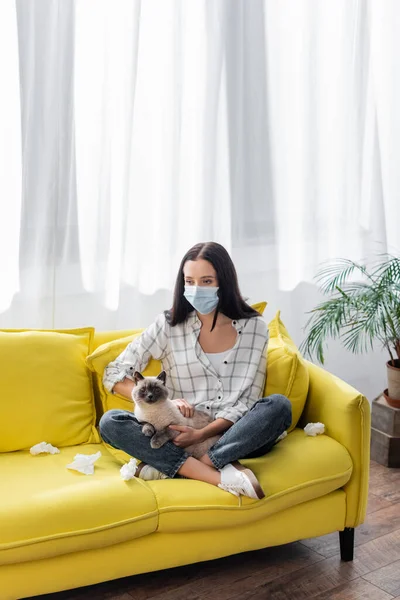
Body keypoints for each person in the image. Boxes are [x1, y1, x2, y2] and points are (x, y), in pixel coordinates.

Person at [99, 242, 291, 499]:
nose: (196, 289)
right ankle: (217, 476)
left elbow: (247, 401)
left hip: (233, 435)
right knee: (111, 423)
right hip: (176, 431)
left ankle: (189, 466)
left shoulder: (254, 327)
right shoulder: (168, 325)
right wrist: (163, 403)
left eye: (206, 281)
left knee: (278, 407)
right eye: (189, 281)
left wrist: (200, 435)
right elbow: (115, 371)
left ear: (224, 282)